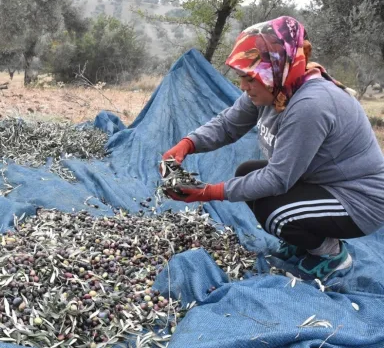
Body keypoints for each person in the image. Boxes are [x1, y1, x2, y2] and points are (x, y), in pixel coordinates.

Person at [162, 16, 384, 282]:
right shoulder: (276, 87)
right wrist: (189, 143)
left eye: (250, 78)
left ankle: (333, 255)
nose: (243, 86)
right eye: (242, 78)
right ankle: (305, 240)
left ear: (276, 68)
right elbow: (228, 125)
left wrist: (209, 192)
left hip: (358, 200)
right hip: (322, 184)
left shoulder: (310, 105)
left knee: (277, 214)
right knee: (246, 173)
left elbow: (278, 179)